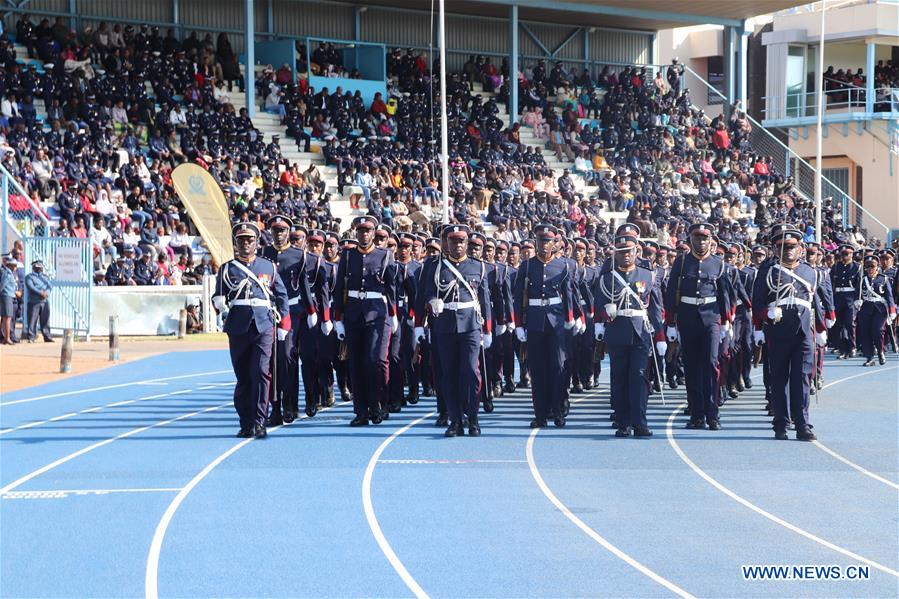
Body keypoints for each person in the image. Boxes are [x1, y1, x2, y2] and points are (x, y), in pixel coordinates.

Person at [212, 222, 291, 439]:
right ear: (236, 243)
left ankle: (259, 421)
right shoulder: (227, 268)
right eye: (241, 240)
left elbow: (281, 295)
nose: (245, 244)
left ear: (256, 242)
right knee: (244, 376)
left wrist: (284, 324)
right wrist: (219, 303)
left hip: (264, 324)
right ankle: (245, 422)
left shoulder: (268, 267)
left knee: (261, 373)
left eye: (249, 240)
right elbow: (218, 296)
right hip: (238, 326)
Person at [416, 224, 492, 437]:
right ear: (446, 243)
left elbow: (484, 301)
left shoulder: (479, 266)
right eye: (453, 241)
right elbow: (426, 293)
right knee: (448, 374)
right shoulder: (434, 266)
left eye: (461, 241)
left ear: (467, 243)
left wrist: (488, 331)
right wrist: (433, 301)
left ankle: (473, 418)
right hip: (445, 324)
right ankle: (455, 420)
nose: (457, 245)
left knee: (470, 371)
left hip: (470, 325)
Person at [751, 224, 824, 441]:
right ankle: (781, 422)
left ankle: (803, 424)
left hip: (803, 332)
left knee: (801, 378)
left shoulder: (810, 272)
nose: (788, 250)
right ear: (775, 249)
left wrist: (820, 328)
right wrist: (766, 315)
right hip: (778, 332)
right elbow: (757, 303)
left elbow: (815, 302)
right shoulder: (768, 272)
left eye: (792, 246)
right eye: (782, 246)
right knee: (779, 378)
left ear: (800, 248)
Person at [663, 222, 734, 431]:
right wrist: (671, 323)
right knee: (692, 366)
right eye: (697, 237)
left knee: (711, 364)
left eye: (705, 238)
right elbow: (671, 293)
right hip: (687, 317)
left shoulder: (718, 264)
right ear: (691, 239)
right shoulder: (682, 262)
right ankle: (696, 414)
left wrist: (727, 321)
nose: (701, 241)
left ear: (711, 240)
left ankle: (712, 414)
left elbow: (724, 294)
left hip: (711, 317)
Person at [593, 233, 665, 437]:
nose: (626, 255)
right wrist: (602, 318)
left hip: (641, 331)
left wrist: (660, 336)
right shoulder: (607, 277)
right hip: (617, 330)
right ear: (616, 253)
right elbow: (598, 304)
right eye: (622, 252)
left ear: (636, 252)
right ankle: (623, 422)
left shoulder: (646, 275)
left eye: (630, 251)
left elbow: (655, 308)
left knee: (640, 377)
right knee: (619, 378)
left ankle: (640, 422)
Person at [333, 215, 398, 426]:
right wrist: (338, 318)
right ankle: (360, 411)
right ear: (356, 233)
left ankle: (377, 405)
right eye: (361, 231)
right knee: (357, 364)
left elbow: (391, 289)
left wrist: (393, 314)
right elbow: (339, 289)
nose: (365, 234)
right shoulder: (348, 255)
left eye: (368, 230)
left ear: (373, 232)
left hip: (377, 315)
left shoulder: (385, 255)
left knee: (373, 361)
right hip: (353, 314)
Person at [513, 224, 576, 428]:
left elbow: (568, 294)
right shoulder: (527, 266)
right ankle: (540, 414)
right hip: (535, 320)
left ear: (554, 243)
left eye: (548, 241)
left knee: (557, 367)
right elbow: (517, 297)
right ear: (536, 241)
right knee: (538, 369)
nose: (544, 244)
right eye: (541, 240)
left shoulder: (563, 266)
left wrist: (570, 317)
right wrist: (519, 325)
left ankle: (558, 411)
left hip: (556, 321)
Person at [260, 215, 315, 424]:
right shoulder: (263, 255)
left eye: (282, 230)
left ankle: (290, 405)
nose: (279, 234)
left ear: (288, 232)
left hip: (291, 312)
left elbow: (304, 285)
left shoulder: (298, 255)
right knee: (270, 361)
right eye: (275, 230)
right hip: (267, 311)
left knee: (287, 358)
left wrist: (312, 311)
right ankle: (274, 406)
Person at [857, 254, 896, 366]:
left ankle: (880, 351)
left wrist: (892, 310)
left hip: (880, 309)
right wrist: (857, 301)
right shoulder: (862, 279)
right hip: (866, 308)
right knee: (865, 332)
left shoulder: (883, 279)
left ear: (877, 267)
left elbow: (889, 296)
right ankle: (869, 357)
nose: (870, 269)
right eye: (868, 266)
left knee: (877, 330)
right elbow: (857, 294)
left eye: (872, 266)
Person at [829, 244, 861, 359]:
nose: (844, 256)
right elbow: (830, 283)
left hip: (850, 298)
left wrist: (858, 299)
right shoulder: (836, 267)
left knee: (850, 324)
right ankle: (843, 349)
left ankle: (852, 347)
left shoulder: (857, 267)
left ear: (852, 254)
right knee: (839, 325)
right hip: (838, 297)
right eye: (843, 254)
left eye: (847, 254)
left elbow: (859, 285)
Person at [24, 259, 53, 342]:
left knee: (45, 320)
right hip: (34, 301)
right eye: (38, 267)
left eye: (40, 267)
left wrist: (46, 293)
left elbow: (50, 286)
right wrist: (41, 293)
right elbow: (31, 287)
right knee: (33, 320)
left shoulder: (45, 277)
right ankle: (31, 337)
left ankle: (47, 336)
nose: (40, 269)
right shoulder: (29, 277)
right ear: (33, 267)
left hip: (44, 301)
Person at [0, 256, 18, 344]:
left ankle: (5, 338)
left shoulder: (9, 272)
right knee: (7, 317)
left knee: (6, 317)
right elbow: (2, 285)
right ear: (10, 265)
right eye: (14, 265)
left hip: (8, 296)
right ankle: (7, 338)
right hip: (6, 296)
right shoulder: (7, 273)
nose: (15, 267)